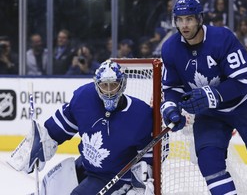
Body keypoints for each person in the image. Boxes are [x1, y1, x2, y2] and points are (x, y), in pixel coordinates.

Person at [160, 0, 247, 195]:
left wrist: (212, 95)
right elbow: (172, 88)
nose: (184, 25)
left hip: (245, 106)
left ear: (199, 19)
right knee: (209, 162)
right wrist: (171, 107)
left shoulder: (222, 38)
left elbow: (243, 80)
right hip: (210, 114)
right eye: (180, 19)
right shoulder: (170, 48)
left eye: (189, 19)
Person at [8, 60, 154, 195]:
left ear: (122, 84)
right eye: (104, 85)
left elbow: (148, 158)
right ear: (97, 85)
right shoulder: (85, 98)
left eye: (113, 85)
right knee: (50, 188)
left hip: (113, 178)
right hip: (85, 164)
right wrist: (40, 142)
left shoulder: (140, 115)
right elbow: (60, 126)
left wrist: (140, 184)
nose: (109, 91)